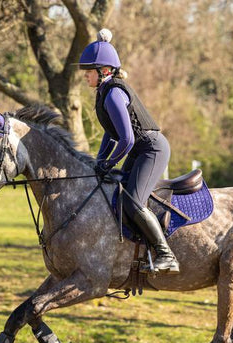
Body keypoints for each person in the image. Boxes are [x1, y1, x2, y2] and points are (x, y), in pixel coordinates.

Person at [78, 29, 179, 274]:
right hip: (139, 148)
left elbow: (126, 139)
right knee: (117, 194)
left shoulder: (113, 94)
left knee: (133, 201)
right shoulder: (103, 92)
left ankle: (166, 255)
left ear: (104, 71)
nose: (85, 77)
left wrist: (109, 163)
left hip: (152, 149)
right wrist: (98, 163)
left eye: (88, 72)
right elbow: (110, 134)